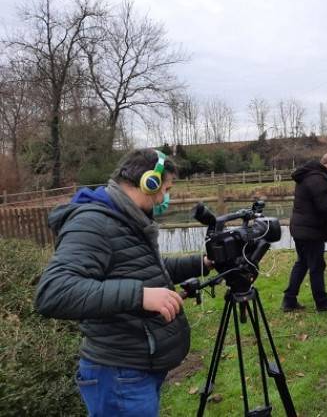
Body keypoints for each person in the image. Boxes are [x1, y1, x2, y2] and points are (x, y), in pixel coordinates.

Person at [35, 149, 212, 416]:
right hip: (118, 374)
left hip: (135, 370)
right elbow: (53, 292)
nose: (165, 197)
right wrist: (141, 296)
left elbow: (145, 269)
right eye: (165, 189)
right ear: (148, 182)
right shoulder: (94, 222)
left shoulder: (125, 217)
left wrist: (203, 263)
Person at [281, 152, 327, 312]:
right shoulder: (319, 179)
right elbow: (325, 207)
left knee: (302, 263)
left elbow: (322, 200)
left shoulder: (310, 175)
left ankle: (289, 301)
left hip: (300, 229)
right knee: (316, 266)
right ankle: (322, 303)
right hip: (311, 232)